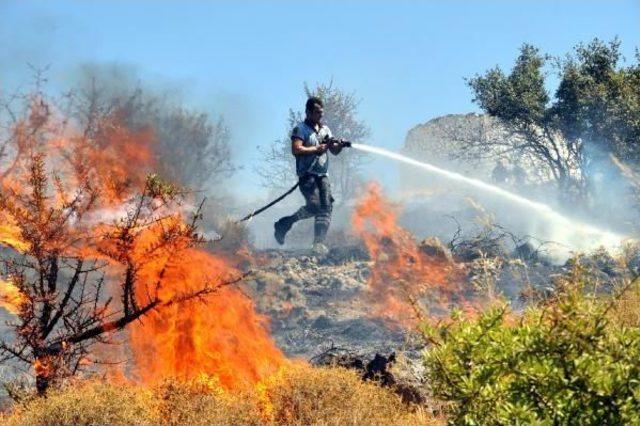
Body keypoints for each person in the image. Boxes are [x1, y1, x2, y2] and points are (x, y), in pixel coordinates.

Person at [273, 96, 343, 255]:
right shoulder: (301, 129)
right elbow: (296, 149)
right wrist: (316, 149)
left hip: (323, 175)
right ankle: (285, 223)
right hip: (307, 175)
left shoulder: (325, 130)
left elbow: (334, 152)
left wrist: (339, 145)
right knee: (315, 206)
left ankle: (318, 243)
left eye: (321, 113)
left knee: (326, 207)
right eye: (317, 113)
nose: (320, 116)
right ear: (308, 112)